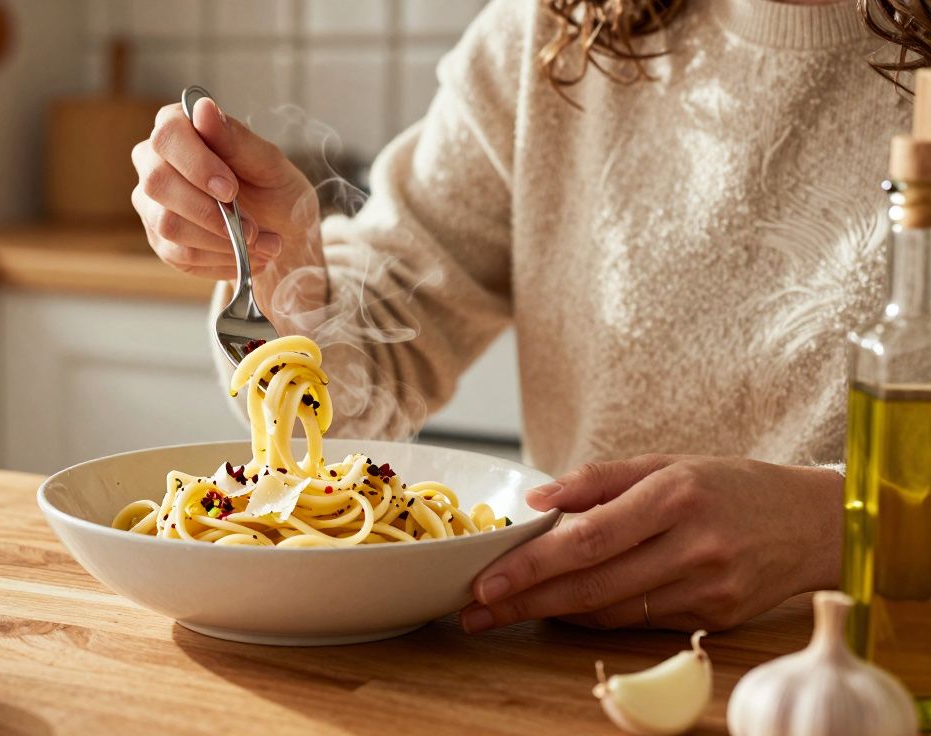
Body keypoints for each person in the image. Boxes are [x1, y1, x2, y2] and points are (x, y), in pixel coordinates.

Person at [129, 0, 916, 633]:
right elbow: (369, 382)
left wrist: (838, 528)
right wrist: (286, 261)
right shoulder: (555, 28)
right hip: (568, 664)